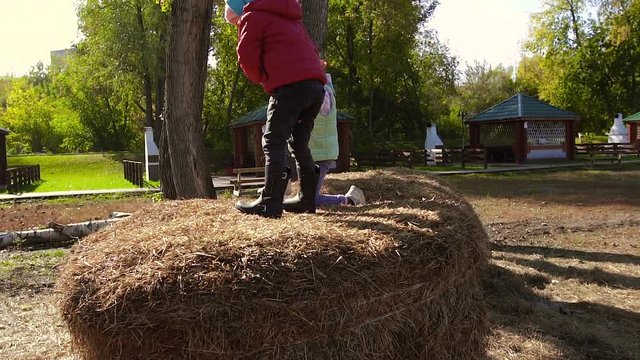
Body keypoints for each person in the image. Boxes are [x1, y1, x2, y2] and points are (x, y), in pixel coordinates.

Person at [225, 0, 327, 218]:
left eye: (235, 22)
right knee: (299, 142)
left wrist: (263, 78)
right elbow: (309, 51)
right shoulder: (290, 17)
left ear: (239, 11)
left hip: (289, 86)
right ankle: (307, 198)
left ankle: (270, 201)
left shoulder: (252, 16)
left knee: (273, 140)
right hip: (316, 86)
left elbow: (247, 56)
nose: (236, 26)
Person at [283, 72, 366, 211]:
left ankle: (350, 199)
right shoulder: (318, 88)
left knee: (309, 199)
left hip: (321, 153)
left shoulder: (322, 92)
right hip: (315, 151)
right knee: (306, 195)